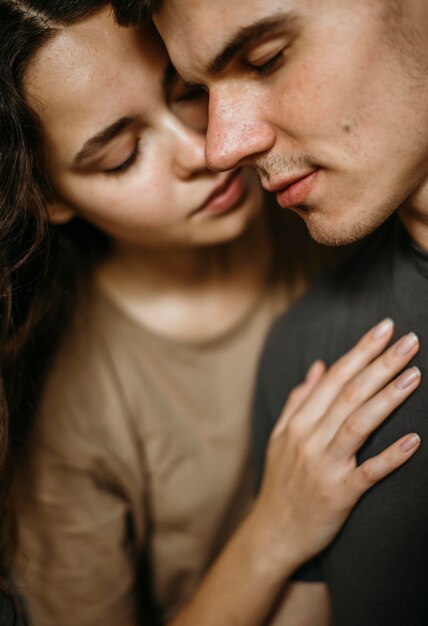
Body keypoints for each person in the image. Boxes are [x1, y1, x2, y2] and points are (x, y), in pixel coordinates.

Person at [1, 2, 421, 626]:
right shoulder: (76, 415)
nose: (206, 151)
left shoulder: (331, 191)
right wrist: (274, 532)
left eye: (187, 93)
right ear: (51, 198)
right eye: (120, 155)